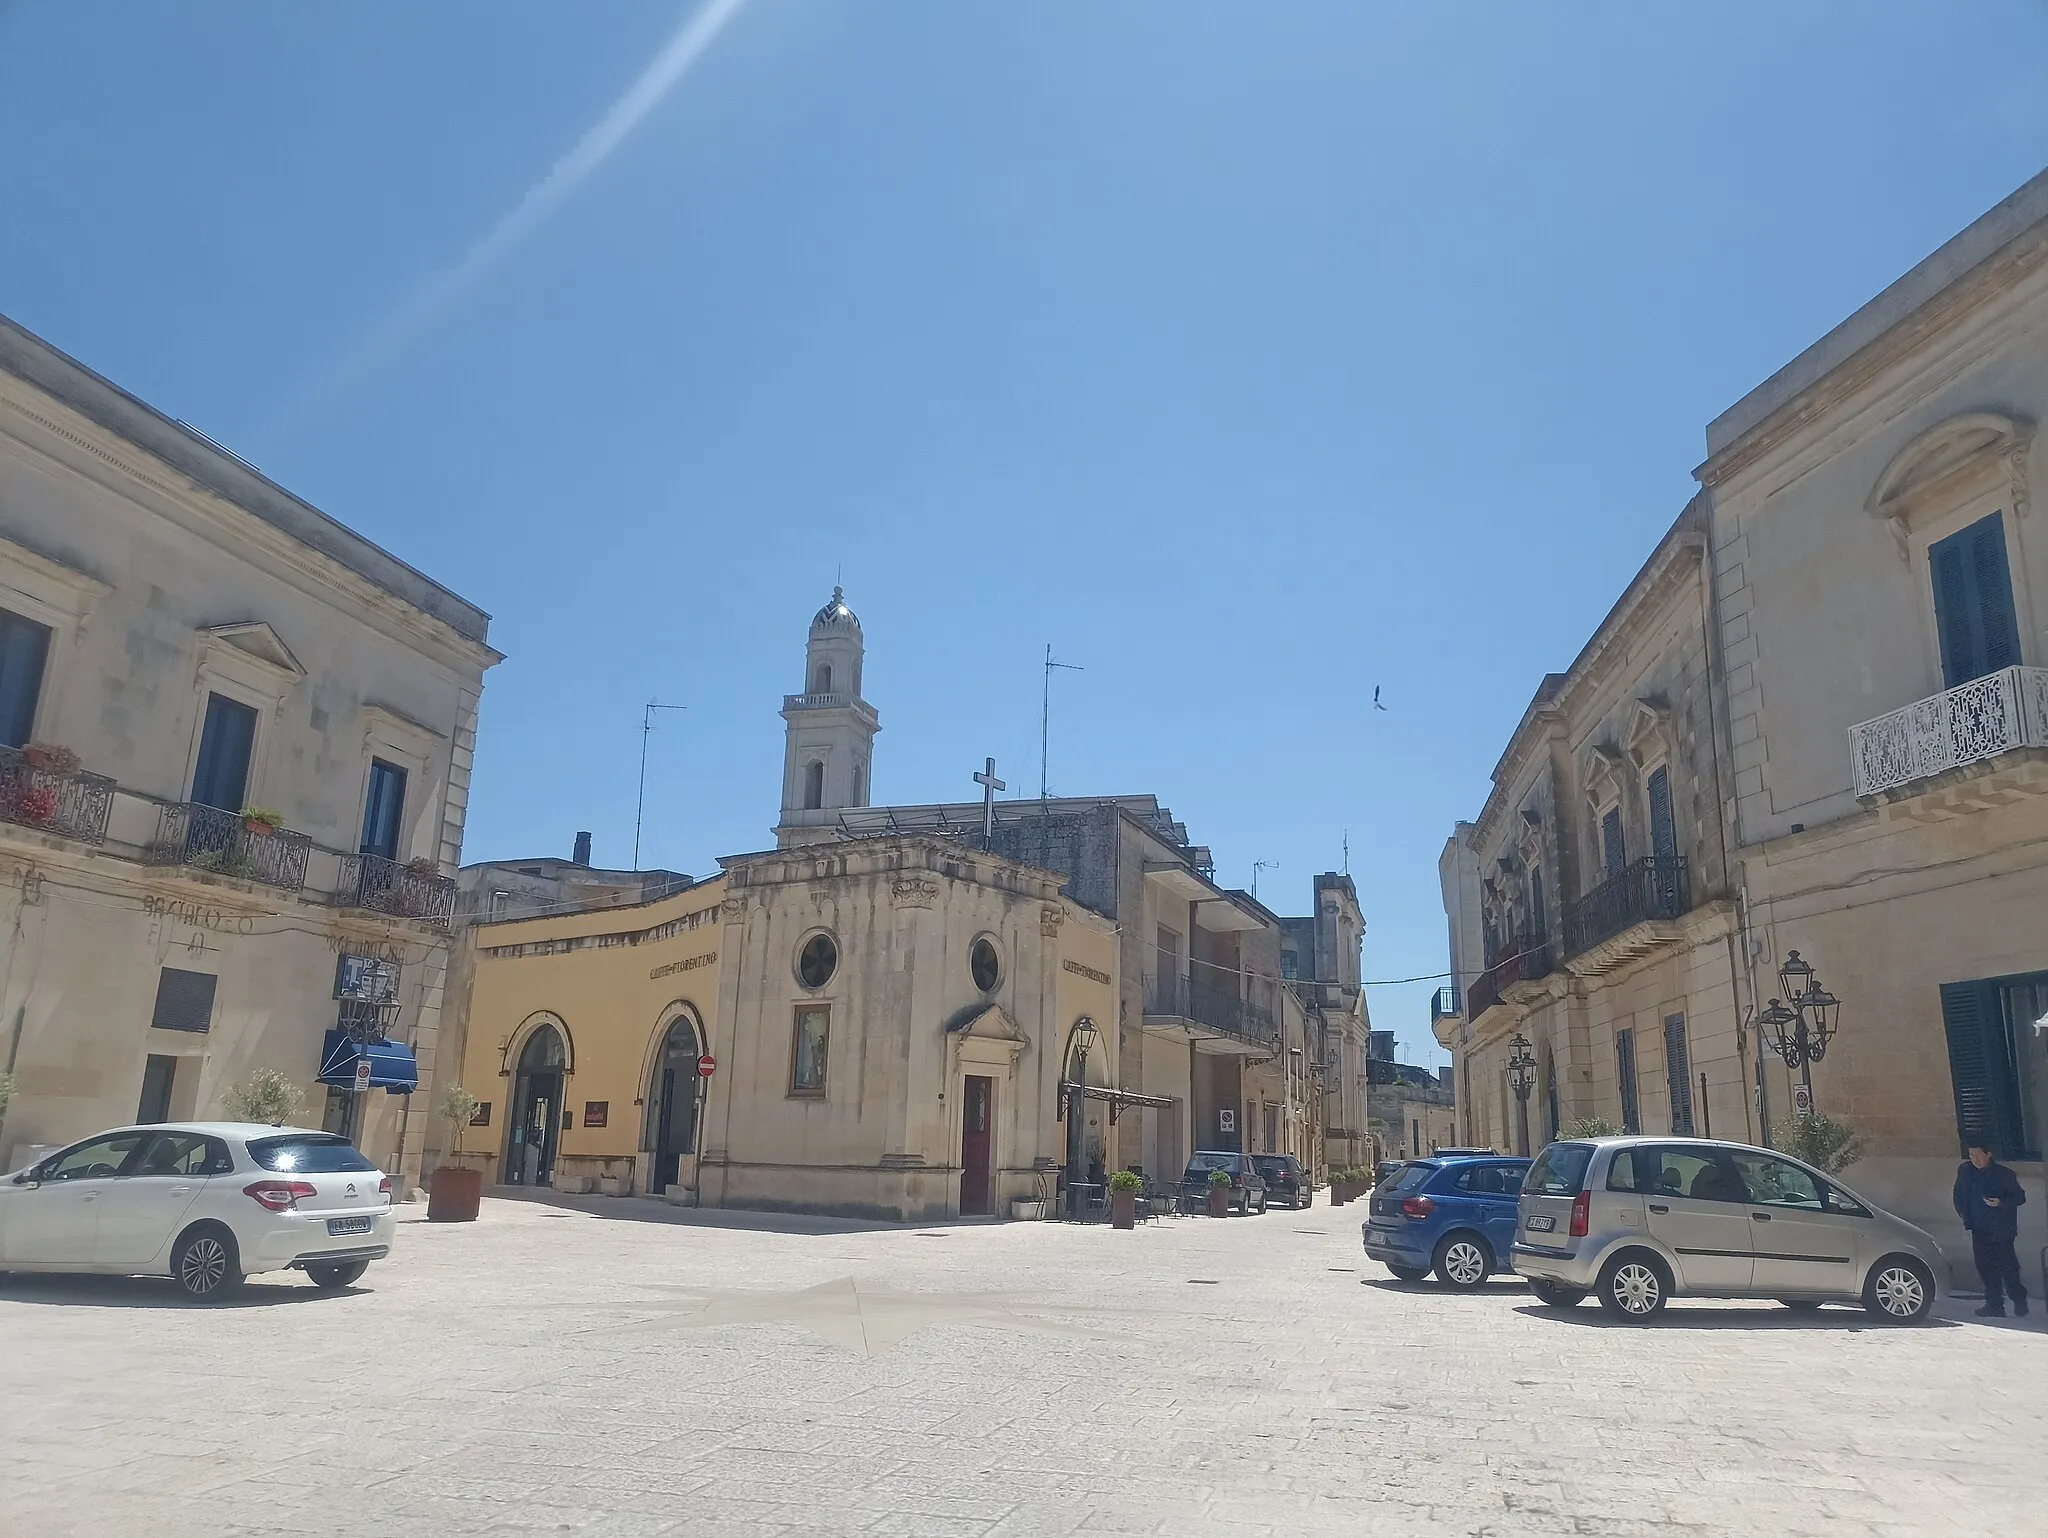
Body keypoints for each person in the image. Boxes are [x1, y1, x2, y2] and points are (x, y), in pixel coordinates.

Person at [1953, 1143, 2029, 1318]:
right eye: (1971, 1155)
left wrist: (2001, 1203)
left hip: (2001, 1229)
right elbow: (1958, 1193)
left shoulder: (2004, 1174)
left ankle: (2018, 1297)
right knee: (1985, 1267)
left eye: (1978, 1155)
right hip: (1979, 1228)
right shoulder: (1965, 1171)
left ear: (1988, 1154)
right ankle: (1994, 1304)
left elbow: (2020, 1197)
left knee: (2008, 1267)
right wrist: (1963, 1213)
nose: (1974, 1159)